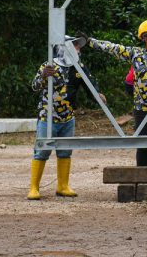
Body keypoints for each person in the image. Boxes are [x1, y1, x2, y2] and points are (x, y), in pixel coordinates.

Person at [88, 20, 147, 192]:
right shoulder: (136, 54)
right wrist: (90, 42)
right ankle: (142, 177)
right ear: (145, 38)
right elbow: (112, 48)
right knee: (142, 144)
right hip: (142, 111)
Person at [28, 34, 106, 200]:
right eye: (76, 45)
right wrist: (43, 76)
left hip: (68, 117)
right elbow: (34, 87)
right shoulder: (48, 66)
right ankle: (34, 187)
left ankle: (62, 186)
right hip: (47, 117)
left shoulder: (79, 67)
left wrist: (98, 94)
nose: (78, 49)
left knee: (65, 151)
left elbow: (90, 84)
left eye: (78, 46)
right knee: (42, 151)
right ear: (65, 47)